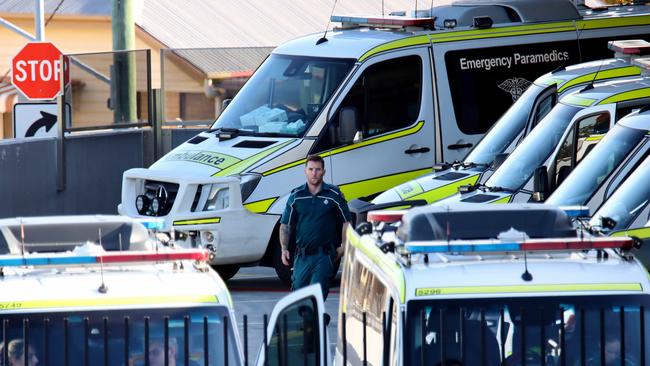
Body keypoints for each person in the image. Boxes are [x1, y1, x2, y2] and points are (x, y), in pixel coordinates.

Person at [280, 154, 351, 300]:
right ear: (305, 171)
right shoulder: (296, 196)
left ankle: (316, 322)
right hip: (302, 256)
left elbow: (347, 222)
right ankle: (312, 321)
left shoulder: (334, 195)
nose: (314, 173)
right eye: (311, 169)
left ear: (324, 172)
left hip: (324, 256)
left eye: (318, 169)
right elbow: (285, 225)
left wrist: (344, 245)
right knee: (298, 295)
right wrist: (284, 248)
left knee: (316, 294)